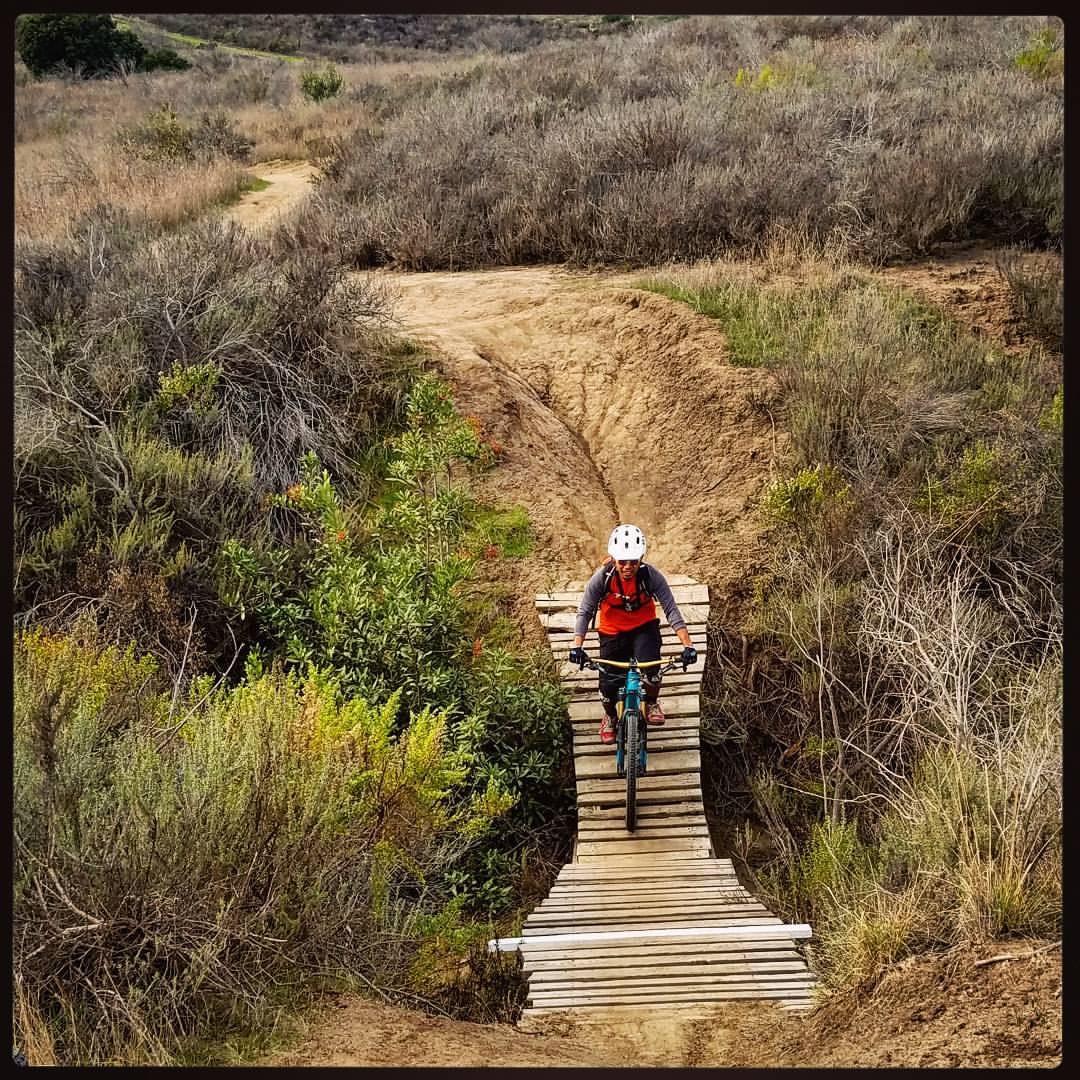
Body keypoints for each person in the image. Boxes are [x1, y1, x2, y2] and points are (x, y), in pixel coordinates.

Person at [568, 524, 697, 744]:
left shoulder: (651, 576)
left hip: (643, 627)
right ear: (613, 559)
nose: (628, 567)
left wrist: (688, 645)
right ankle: (609, 717)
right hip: (612, 631)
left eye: (633, 561)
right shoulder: (602, 578)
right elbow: (585, 610)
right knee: (608, 685)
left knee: (652, 670)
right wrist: (577, 645)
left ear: (641, 559)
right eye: (622, 562)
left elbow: (670, 608)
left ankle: (652, 702)